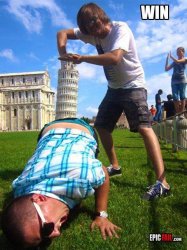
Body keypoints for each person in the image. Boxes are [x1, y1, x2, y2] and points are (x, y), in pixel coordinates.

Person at [57, 3, 170, 200]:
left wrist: (83, 58)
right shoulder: (91, 33)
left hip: (133, 85)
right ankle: (115, 166)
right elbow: (62, 32)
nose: (93, 35)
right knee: (101, 126)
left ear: (99, 20)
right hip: (114, 88)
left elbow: (115, 58)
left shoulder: (121, 29)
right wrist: (62, 52)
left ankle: (163, 183)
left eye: (93, 30)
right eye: (88, 32)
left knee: (144, 128)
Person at [1, 118, 120, 249]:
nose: (56, 233)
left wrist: (101, 214)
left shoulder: (81, 179)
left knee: (89, 157)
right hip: (46, 133)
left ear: (40, 198)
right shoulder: (20, 190)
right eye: (45, 238)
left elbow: (103, 172)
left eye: (47, 229)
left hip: (82, 130)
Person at [165, 48, 187, 119]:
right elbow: (166, 69)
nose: (178, 53)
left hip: (182, 80)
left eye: (179, 52)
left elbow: (178, 61)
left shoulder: (185, 59)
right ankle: (178, 113)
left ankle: (182, 113)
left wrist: (171, 57)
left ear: (183, 52)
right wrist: (167, 59)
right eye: (177, 52)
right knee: (175, 97)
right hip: (174, 80)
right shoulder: (174, 62)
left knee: (182, 96)